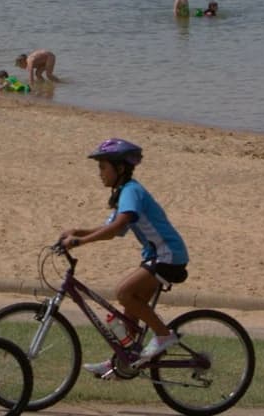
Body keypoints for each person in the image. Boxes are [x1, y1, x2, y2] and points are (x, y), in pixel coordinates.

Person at [59, 139, 189, 377]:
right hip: (157, 255)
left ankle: (164, 335)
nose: (100, 173)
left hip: (169, 255)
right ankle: (120, 364)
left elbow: (117, 226)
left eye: (103, 167)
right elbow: (113, 231)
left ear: (119, 169)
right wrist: (77, 231)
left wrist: (80, 241)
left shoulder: (132, 192)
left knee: (123, 292)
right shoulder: (124, 193)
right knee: (129, 319)